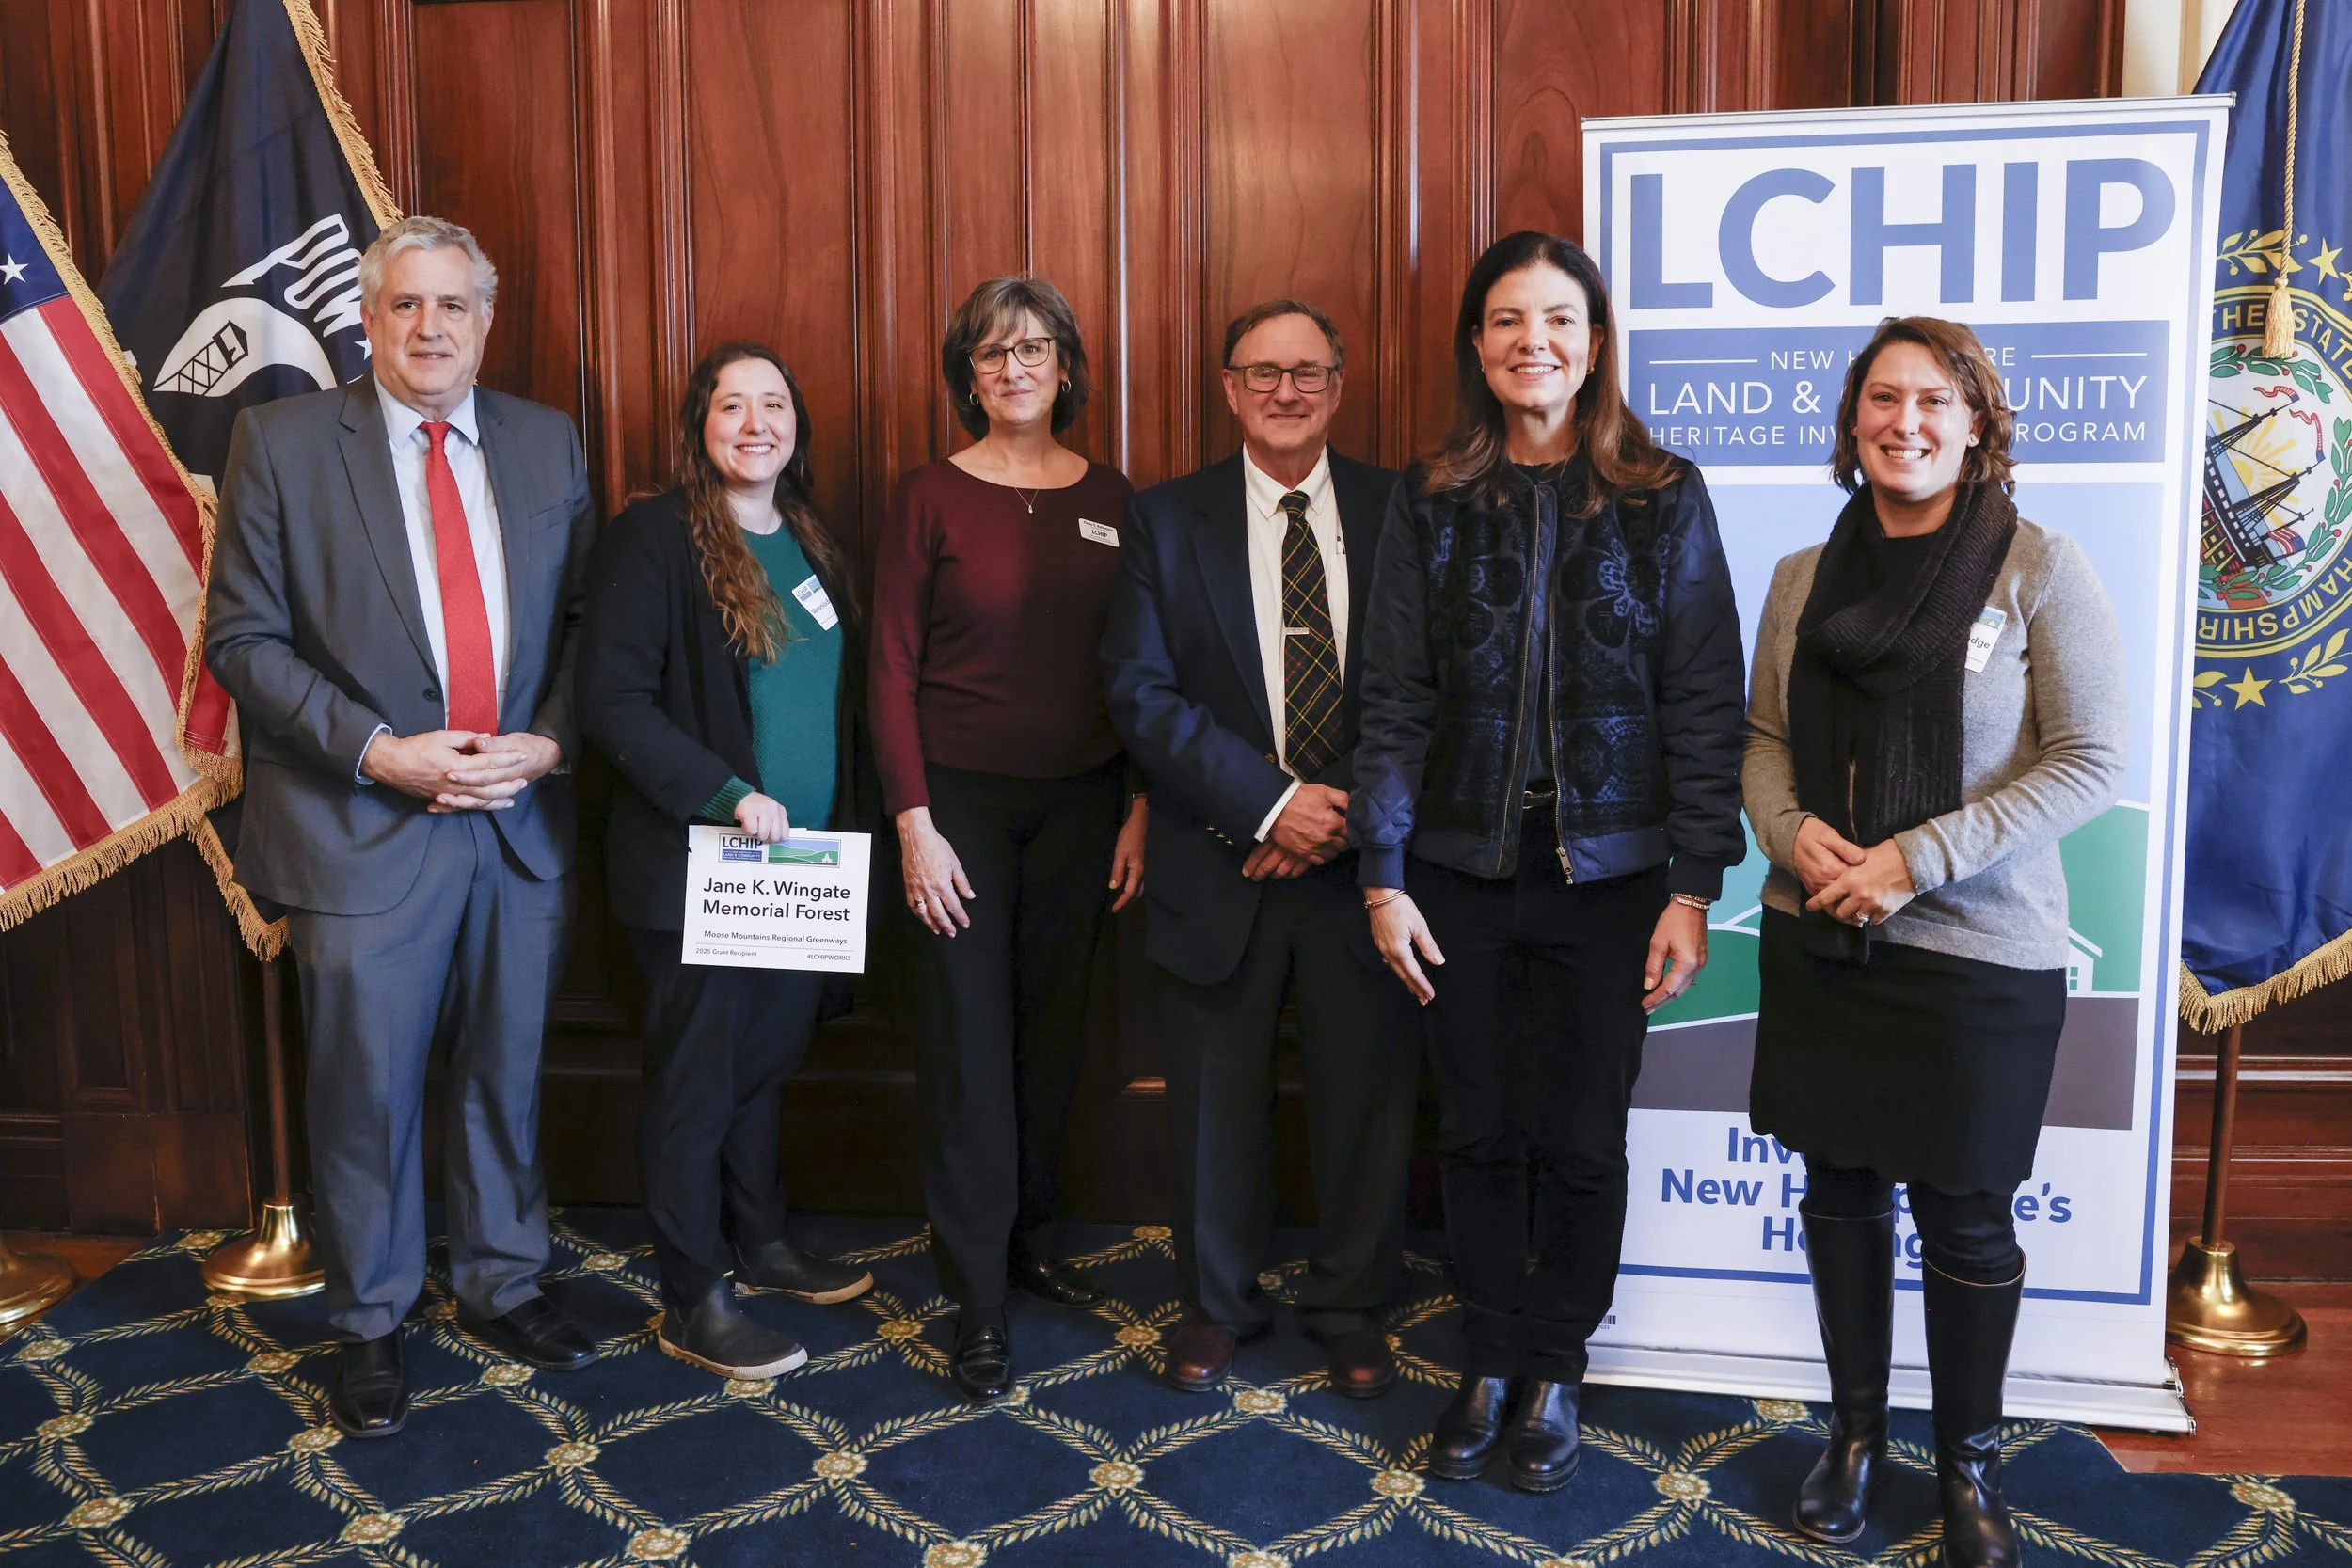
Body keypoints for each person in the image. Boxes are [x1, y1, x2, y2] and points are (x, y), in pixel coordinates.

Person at [1351, 231, 1746, 1492]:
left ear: (1595, 341)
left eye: (1559, 318)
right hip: (1457, 865)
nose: (1535, 340)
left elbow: (1703, 695)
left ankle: (1556, 1364)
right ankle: (1486, 1354)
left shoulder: (1661, 491)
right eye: (1509, 319)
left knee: (1580, 1132)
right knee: (1475, 1127)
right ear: (1477, 343)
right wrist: (1383, 871)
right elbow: (1392, 694)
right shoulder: (1430, 495)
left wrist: (1693, 883)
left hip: (1613, 874)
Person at [205, 216, 599, 1438]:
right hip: (360, 818)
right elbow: (243, 640)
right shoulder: (282, 442)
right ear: (367, 319)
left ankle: (502, 1278)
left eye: (454, 306)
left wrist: (550, 739)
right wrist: (379, 749)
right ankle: (371, 1314)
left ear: (488, 319)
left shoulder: (546, 439)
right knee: (365, 1087)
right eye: (407, 305)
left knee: (505, 1068)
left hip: (516, 818)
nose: (431, 328)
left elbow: (589, 623)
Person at [1743, 316, 2124, 1568]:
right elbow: (1763, 740)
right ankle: (1855, 1434)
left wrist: (1916, 859)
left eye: (1931, 401)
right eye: (1881, 398)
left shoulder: (2040, 566)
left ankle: (1968, 1463)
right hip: (1822, 935)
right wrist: (1791, 835)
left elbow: (2090, 758)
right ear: (1852, 421)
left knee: (1965, 1220)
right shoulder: (1801, 574)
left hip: (1976, 949)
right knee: (1839, 1191)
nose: (1903, 421)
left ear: (1975, 425)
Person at [1103, 301, 1420, 1399]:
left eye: (1307, 371)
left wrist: (1337, 814)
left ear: (1338, 384)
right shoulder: (1164, 519)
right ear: (1229, 388)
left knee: (1366, 1096)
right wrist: (1272, 804)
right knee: (1211, 1102)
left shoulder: (1400, 507)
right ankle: (1215, 1303)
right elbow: (1140, 694)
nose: (1286, 391)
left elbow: (1426, 687)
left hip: (1364, 866)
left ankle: (1349, 1301)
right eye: (1263, 372)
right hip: (1215, 854)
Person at [575, 341, 878, 1381]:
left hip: (802, 870)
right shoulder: (655, 535)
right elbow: (612, 701)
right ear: (698, 426)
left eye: (774, 403)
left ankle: (762, 1240)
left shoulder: (810, 540)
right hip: (698, 866)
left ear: (797, 424)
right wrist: (727, 794)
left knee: (765, 1064)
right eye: (732, 405)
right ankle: (692, 1294)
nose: (756, 423)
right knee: (696, 1083)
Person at [870, 277, 1146, 1402]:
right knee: (969, 1053)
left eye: (1034, 348)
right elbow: (890, 667)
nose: (1014, 367)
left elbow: (1142, 666)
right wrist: (914, 823)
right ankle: (976, 1293)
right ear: (967, 375)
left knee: (1051, 1039)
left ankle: (1026, 1239)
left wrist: (1139, 804)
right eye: (991, 352)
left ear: (1066, 366)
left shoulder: (1114, 496)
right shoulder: (929, 495)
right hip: (959, 813)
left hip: (1085, 807)